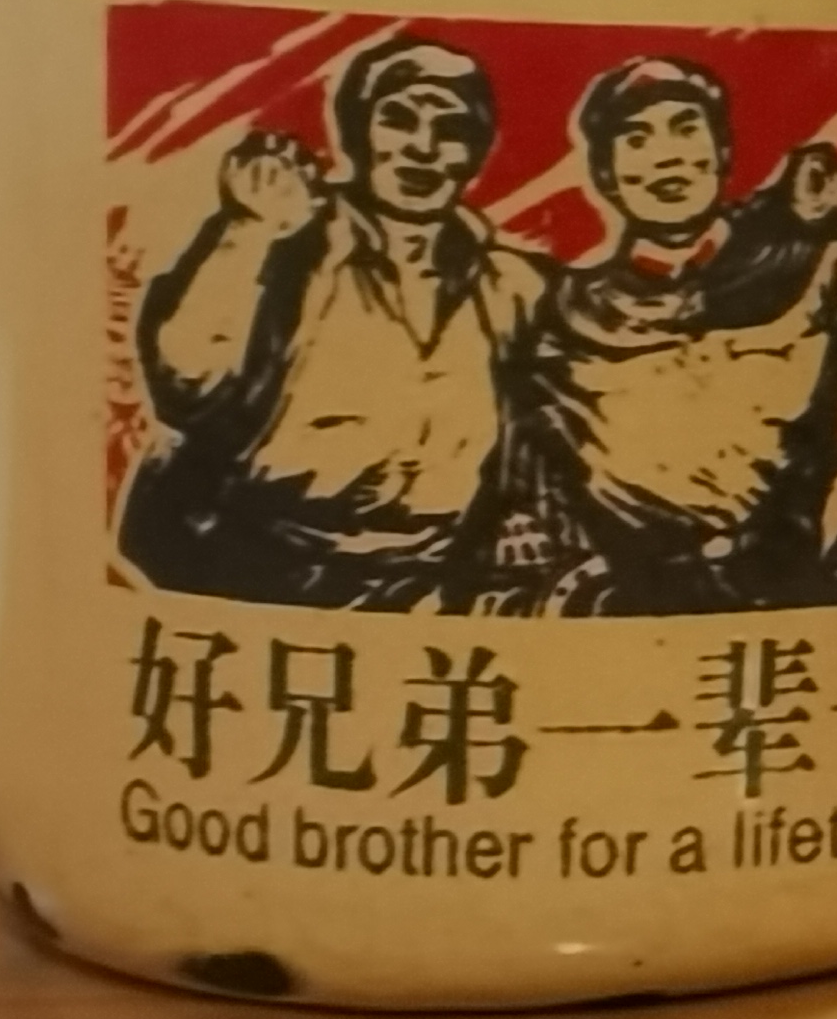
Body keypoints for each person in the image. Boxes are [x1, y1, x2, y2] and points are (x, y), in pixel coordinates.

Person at [498, 59, 837, 614]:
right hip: (636, 597)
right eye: (636, 138)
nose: (666, 155)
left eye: (685, 128)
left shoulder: (805, 266)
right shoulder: (571, 311)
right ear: (604, 174)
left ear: (721, 152)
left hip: (797, 585)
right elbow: (531, 445)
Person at [122, 32, 546, 610]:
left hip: (427, 579)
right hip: (253, 568)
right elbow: (186, 381)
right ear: (355, 131)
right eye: (398, 120)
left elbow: (545, 423)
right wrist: (250, 227)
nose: (423, 148)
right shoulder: (284, 242)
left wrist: (521, 507)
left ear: (477, 151)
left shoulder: (513, 285)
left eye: (451, 129)